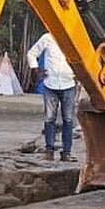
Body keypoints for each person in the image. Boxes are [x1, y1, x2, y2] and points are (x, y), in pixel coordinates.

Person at [26, 32, 77, 162]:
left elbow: (83, 58)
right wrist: (36, 70)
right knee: (49, 119)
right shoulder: (47, 38)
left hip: (69, 84)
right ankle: (49, 151)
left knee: (68, 119)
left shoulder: (75, 37)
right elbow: (32, 53)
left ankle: (66, 153)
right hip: (50, 84)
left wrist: (79, 74)